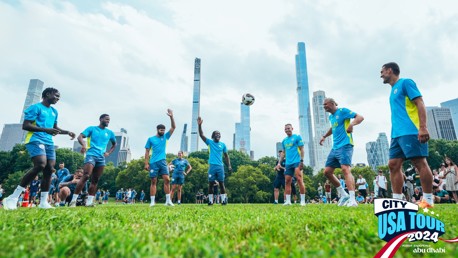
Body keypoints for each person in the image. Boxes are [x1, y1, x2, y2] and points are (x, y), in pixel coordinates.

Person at [3, 88, 76, 210]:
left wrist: (67, 132)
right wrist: (45, 130)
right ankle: (12, 197)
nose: (58, 98)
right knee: (41, 164)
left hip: (49, 142)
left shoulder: (54, 111)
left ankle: (43, 202)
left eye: (59, 97)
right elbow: (26, 125)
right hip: (35, 140)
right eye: (56, 96)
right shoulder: (35, 107)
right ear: (47, 94)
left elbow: (54, 128)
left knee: (49, 169)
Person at [380, 62, 434, 208]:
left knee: (419, 162)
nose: (381, 74)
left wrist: (423, 127)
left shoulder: (405, 83)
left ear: (390, 70)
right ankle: (397, 201)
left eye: (382, 71)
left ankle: (428, 200)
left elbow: (420, 103)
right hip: (396, 134)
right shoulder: (392, 91)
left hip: (410, 131)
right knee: (393, 165)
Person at [320, 98, 364, 207]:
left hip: (345, 145)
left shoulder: (343, 111)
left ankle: (353, 199)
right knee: (327, 172)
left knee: (345, 169)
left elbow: (360, 117)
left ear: (332, 103)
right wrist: (324, 136)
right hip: (335, 148)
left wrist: (352, 125)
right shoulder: (331, 117)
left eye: (325, 104)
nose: (324, 106)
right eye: (323, 105)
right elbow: (333, 128)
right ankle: (344, 194)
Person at [69, 114, 117, 207]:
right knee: (86, 175)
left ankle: (89, 202)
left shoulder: (110, 133)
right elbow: (80, 137)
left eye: (109, 120)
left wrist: (108, 153)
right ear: (101, 119)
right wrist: (83, 145)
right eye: (106, 119)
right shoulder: (92, 129)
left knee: (95, 179)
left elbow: (114, 144)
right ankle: (73, 201)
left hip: (101, 158)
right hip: (91, 155)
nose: (108, 121)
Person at [197, 117, 232, 205]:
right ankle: (210, 201)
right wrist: (200, 125)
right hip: (212, 166)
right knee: (211, 183)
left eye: (219, 134)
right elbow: (201, 135)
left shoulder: (223, 145)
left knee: (221, 183)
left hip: (220, 166)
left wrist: (229, 166)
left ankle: (224, 200)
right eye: (216, 134)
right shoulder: (209, 142)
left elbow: (226, 156)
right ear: (213, 136)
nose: (218, 135)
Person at [144, 109, 176, 207]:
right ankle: (152, 202)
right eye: (161, 130)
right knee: (153, 181)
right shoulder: (150, 139)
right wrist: (146, 163)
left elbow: (173, 127)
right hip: (153, 162)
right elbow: (147, 151)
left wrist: (171, 117)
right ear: (157, 130)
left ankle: (168, 201)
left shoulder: (165, 137)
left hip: (163, 161)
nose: (163, 131)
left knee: (167, 179)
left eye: (164, 130)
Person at [275, 124, 307, 206]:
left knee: (299, 179)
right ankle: (288, 201)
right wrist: (279, 163)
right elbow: (283, 153)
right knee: (287, 181)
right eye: (285, 129)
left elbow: (302, 149)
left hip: (297, 161)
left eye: (288, 128)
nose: (287, 130)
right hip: (288, 164)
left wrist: (302, 160)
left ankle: (302, 201)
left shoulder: (297, 137)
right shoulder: (284, 141)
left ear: (292, 128)